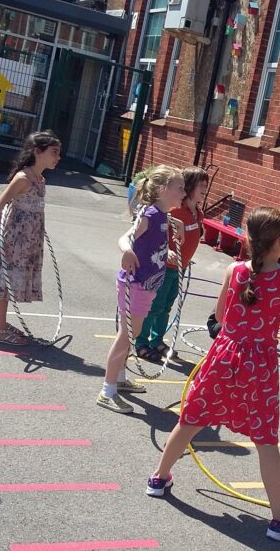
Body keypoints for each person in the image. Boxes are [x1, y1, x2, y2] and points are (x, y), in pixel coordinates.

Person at [146, 207, 280, 542]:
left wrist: (244, 326)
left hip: (223, 356)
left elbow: (220, 314)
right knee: (265, 439)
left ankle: (159, 479)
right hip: (258, 366)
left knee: (190, 419)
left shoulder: (234, 270)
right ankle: (279, 520)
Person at [97, 164, 185, 414]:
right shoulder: (149, 214)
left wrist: (163, 251)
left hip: (146, 285)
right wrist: (127, 250)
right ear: (162, 189)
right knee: (127, 336)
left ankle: (120, 378)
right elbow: (126, 237)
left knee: (131, 334)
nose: (183, 192)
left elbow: (153, 242)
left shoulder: (160, 215)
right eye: (179, 188)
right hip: (134, 284)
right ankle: (108, 390)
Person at [0, 130, 61, 346]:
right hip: (14, 239)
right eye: (54, 152)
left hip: (29, 240)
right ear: (37, 152)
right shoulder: (23, 178)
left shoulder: (40, 179)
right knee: (4, 282)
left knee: (12, 281)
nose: (58, 157)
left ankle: (0, 323)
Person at [134, 166, 209, 361]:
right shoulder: (176, 210)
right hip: (165, 267)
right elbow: (158, 235)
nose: (205, 188)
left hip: (181, 267)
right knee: (155, 304)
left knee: (167, 304)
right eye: (201, 184)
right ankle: (141, 341)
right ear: (190, 185)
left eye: (206, 184)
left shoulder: (197, 213)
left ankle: (157, 339)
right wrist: (167, 251)